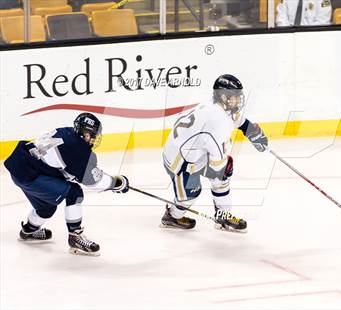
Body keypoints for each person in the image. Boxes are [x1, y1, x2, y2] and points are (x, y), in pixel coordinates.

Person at [4, 113, 129, 256]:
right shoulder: (76, 149)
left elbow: (61, 164)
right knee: (74, 193)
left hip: (21, 167)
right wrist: (116, 183)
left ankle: (28, 230)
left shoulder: (68, 132)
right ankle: (75, 237)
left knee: (46, 208)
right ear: (83, 133)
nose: (93, 138)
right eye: (91, 134)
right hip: (30, 174)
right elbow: (93, 181)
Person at [160, 74, 268, 232]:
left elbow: (238, 120)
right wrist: (222, 168)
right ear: (224, 96)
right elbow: (217, 165)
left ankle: (223, 216)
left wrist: (252, 131)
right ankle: (172, 216)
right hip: (179, 158)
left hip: (194, 150)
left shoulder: (218, 106)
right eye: (235, 97)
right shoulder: (218, 122)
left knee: (223, 175)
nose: (238, 100)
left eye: (239, 96)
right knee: (191, 194)